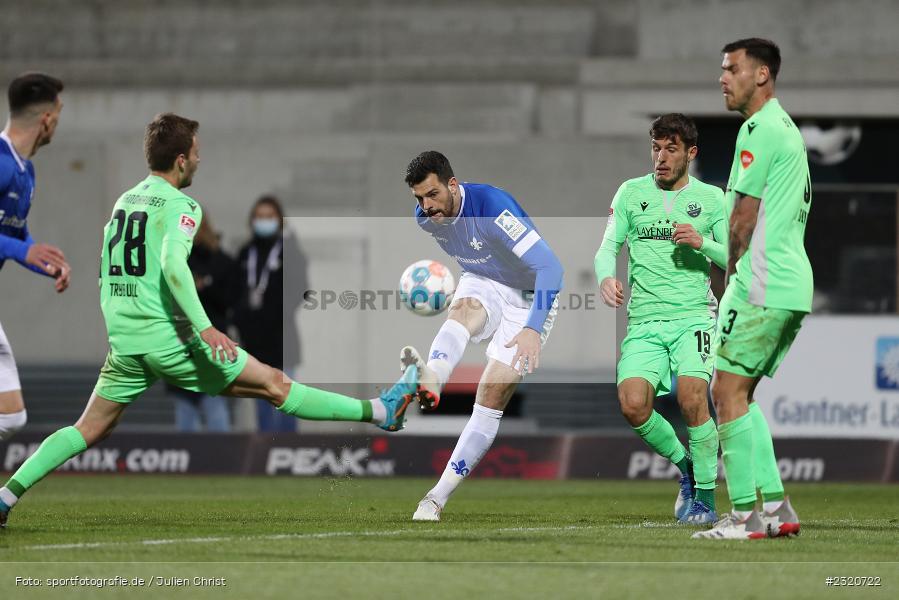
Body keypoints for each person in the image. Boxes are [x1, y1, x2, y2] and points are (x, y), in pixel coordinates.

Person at [0, 113, 419, 527]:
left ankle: (5, 496)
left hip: (126, 341)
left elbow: (111, 268)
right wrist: (204, 326)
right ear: (181, 160)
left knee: (88, 428)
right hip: (170, 340)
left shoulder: (126, 199)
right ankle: (382, 411)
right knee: (275, 384)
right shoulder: (184, 205)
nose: (200, 161)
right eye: (197, 153)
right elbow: (172, 265)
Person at [401, 151, 563, 522]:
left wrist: (532, 329)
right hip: (484, 280)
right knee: (463, 310)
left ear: (453, 185)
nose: (426, 207)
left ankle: (435, 497)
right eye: (419, 199)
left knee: (491, 393)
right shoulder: (427, 219)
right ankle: (434, 379)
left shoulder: (492, 208)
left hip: (529, 296)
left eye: (432, 195)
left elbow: (551, 268)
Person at [694, 38, 810, 540]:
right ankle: (778, 508)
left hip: (761, 282)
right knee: (742, 394)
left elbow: (743, 219)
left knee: (724, 390)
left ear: (761, 75)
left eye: (732, 69)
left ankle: (745, 517)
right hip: (789, 283)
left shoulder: (759, 129)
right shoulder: (786, 129)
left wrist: (731, 278)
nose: (723, 78)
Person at [594, 113, 727, 525]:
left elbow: (734, 258)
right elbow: (606, 248)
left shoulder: (711, 199)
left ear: (691, 153)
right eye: (656, 148)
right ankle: (687, 466)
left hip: (694, 318)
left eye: (671, 149)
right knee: (633, 405)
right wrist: (606, 278)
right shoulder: (631, 193)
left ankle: (705, 499)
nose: (661, 158)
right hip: (645, 323)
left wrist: (703, 243)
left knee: (691, 398)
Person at [0, 73, 70, 442]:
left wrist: (41, 260)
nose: (58, 122)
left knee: (11, 418)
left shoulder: (26, 170)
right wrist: (24, 250)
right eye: (58, 113)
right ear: (47, 118)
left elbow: (12, 232)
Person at [234, 196, 306, 432]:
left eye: (269, 217)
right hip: (254, 343)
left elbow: (300, 290)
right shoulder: (246, 253)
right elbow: (236, 295)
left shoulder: (290, 252)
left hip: (282, 339)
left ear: (279, 220)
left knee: (287, 399)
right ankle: (266, 455)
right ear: (252, 221)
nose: (264, 221)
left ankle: (289, 450)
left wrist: (275, 315)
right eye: (260, 217)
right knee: (262, 404)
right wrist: (243, 321)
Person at [166, 214, 235, 432]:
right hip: (182, 343)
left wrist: (206, 285)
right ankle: (188, 461)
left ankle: (223, 460)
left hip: (212, 344)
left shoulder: (221, 263)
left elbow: (230, 301)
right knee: (185, 409)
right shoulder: (174, 262)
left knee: (214, 405)